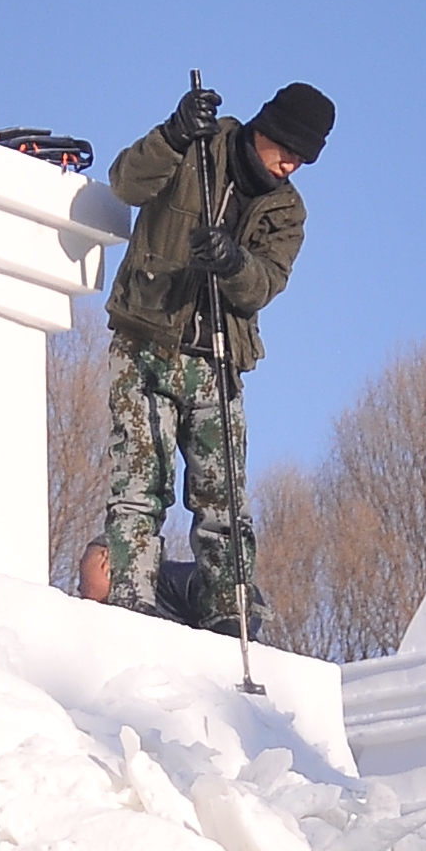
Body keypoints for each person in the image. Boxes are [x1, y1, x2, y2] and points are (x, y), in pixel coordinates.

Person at [99, 78, 330, 639]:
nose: (289, 167)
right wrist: (174, 134)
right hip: (145, 340)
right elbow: (125, 183)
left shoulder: (287, 212)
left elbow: (264, 284)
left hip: (216, 362)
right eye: (287, 151)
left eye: (302, 160)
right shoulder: (198, 148)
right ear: (266, 130)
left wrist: (232, 265)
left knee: (221, 492)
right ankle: (130, 593)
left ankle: (230, 604)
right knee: (137, 481)